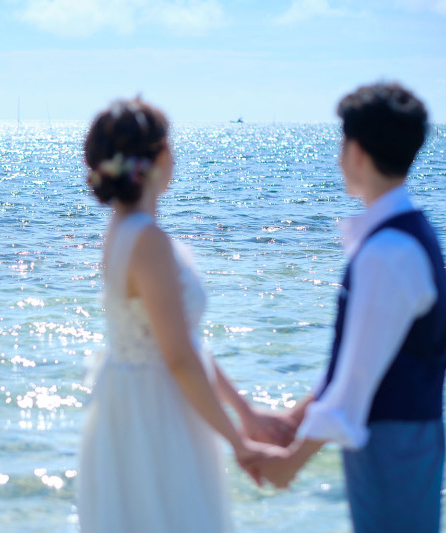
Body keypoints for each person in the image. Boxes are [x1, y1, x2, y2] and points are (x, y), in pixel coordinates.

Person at [77, 98, 292, 533]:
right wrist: (238, 442)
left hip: (134, 403)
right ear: (155, 160)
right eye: (169, 144)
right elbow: (178, 357)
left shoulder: (121, 231)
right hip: (157, 412)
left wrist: (245, 413)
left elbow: (183, 343)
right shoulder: (148, 241)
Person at [254, 82, 446, 533]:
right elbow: (357, 364)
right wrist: (295, 418)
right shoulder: (408, 233)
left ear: (358, 152)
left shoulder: (385, 253)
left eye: (341, 144)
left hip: (393, 445)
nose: (338, 157)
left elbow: (353, 389)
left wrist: (292, 462)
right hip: (406, 436)